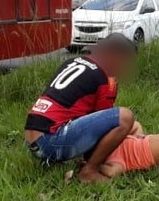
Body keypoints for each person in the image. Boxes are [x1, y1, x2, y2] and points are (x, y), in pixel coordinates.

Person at [24, 34, 138, 182]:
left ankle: (64, 160)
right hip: (50, 142)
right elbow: (105, 127)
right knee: (125, 117)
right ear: (114, 56)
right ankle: (89, 171)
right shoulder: (105, 79)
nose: (125, 68)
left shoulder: (73, 62)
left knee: (127, 123)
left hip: (32, 140)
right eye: (125, 62)